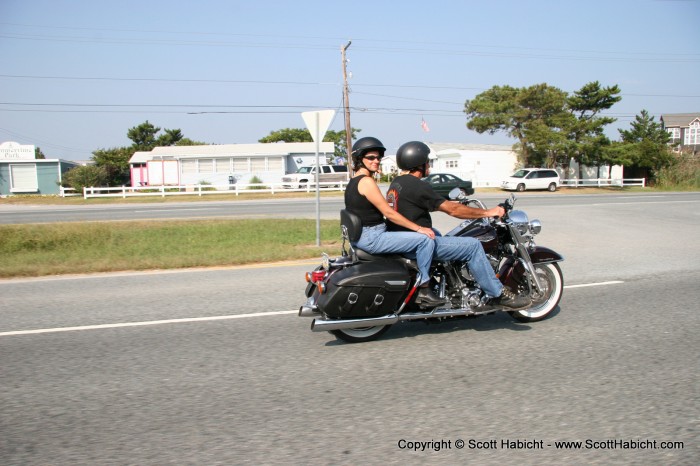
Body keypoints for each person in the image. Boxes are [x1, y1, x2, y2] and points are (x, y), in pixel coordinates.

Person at [385, 140, 530, 309]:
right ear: (419, 164)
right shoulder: (417, 185)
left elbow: (420, 204)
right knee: (473, 246)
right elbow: (453, 210)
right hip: (416, 244)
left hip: (403, 239)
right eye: (427, 162)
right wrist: (489, 212)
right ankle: (497, 294)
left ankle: (452, 282)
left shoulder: (398, 183)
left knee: (440, 233)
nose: (429, 165)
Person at [345, 136, 445, 307]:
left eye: (378, 157)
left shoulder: (353, 182)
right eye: (371, 158)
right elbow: (389, 213)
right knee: (425, 240)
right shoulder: (367, 182)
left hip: (363, 236)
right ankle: (424, 289)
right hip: (373, 237)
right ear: (359, 159)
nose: (376, 161)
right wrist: (419, 228)